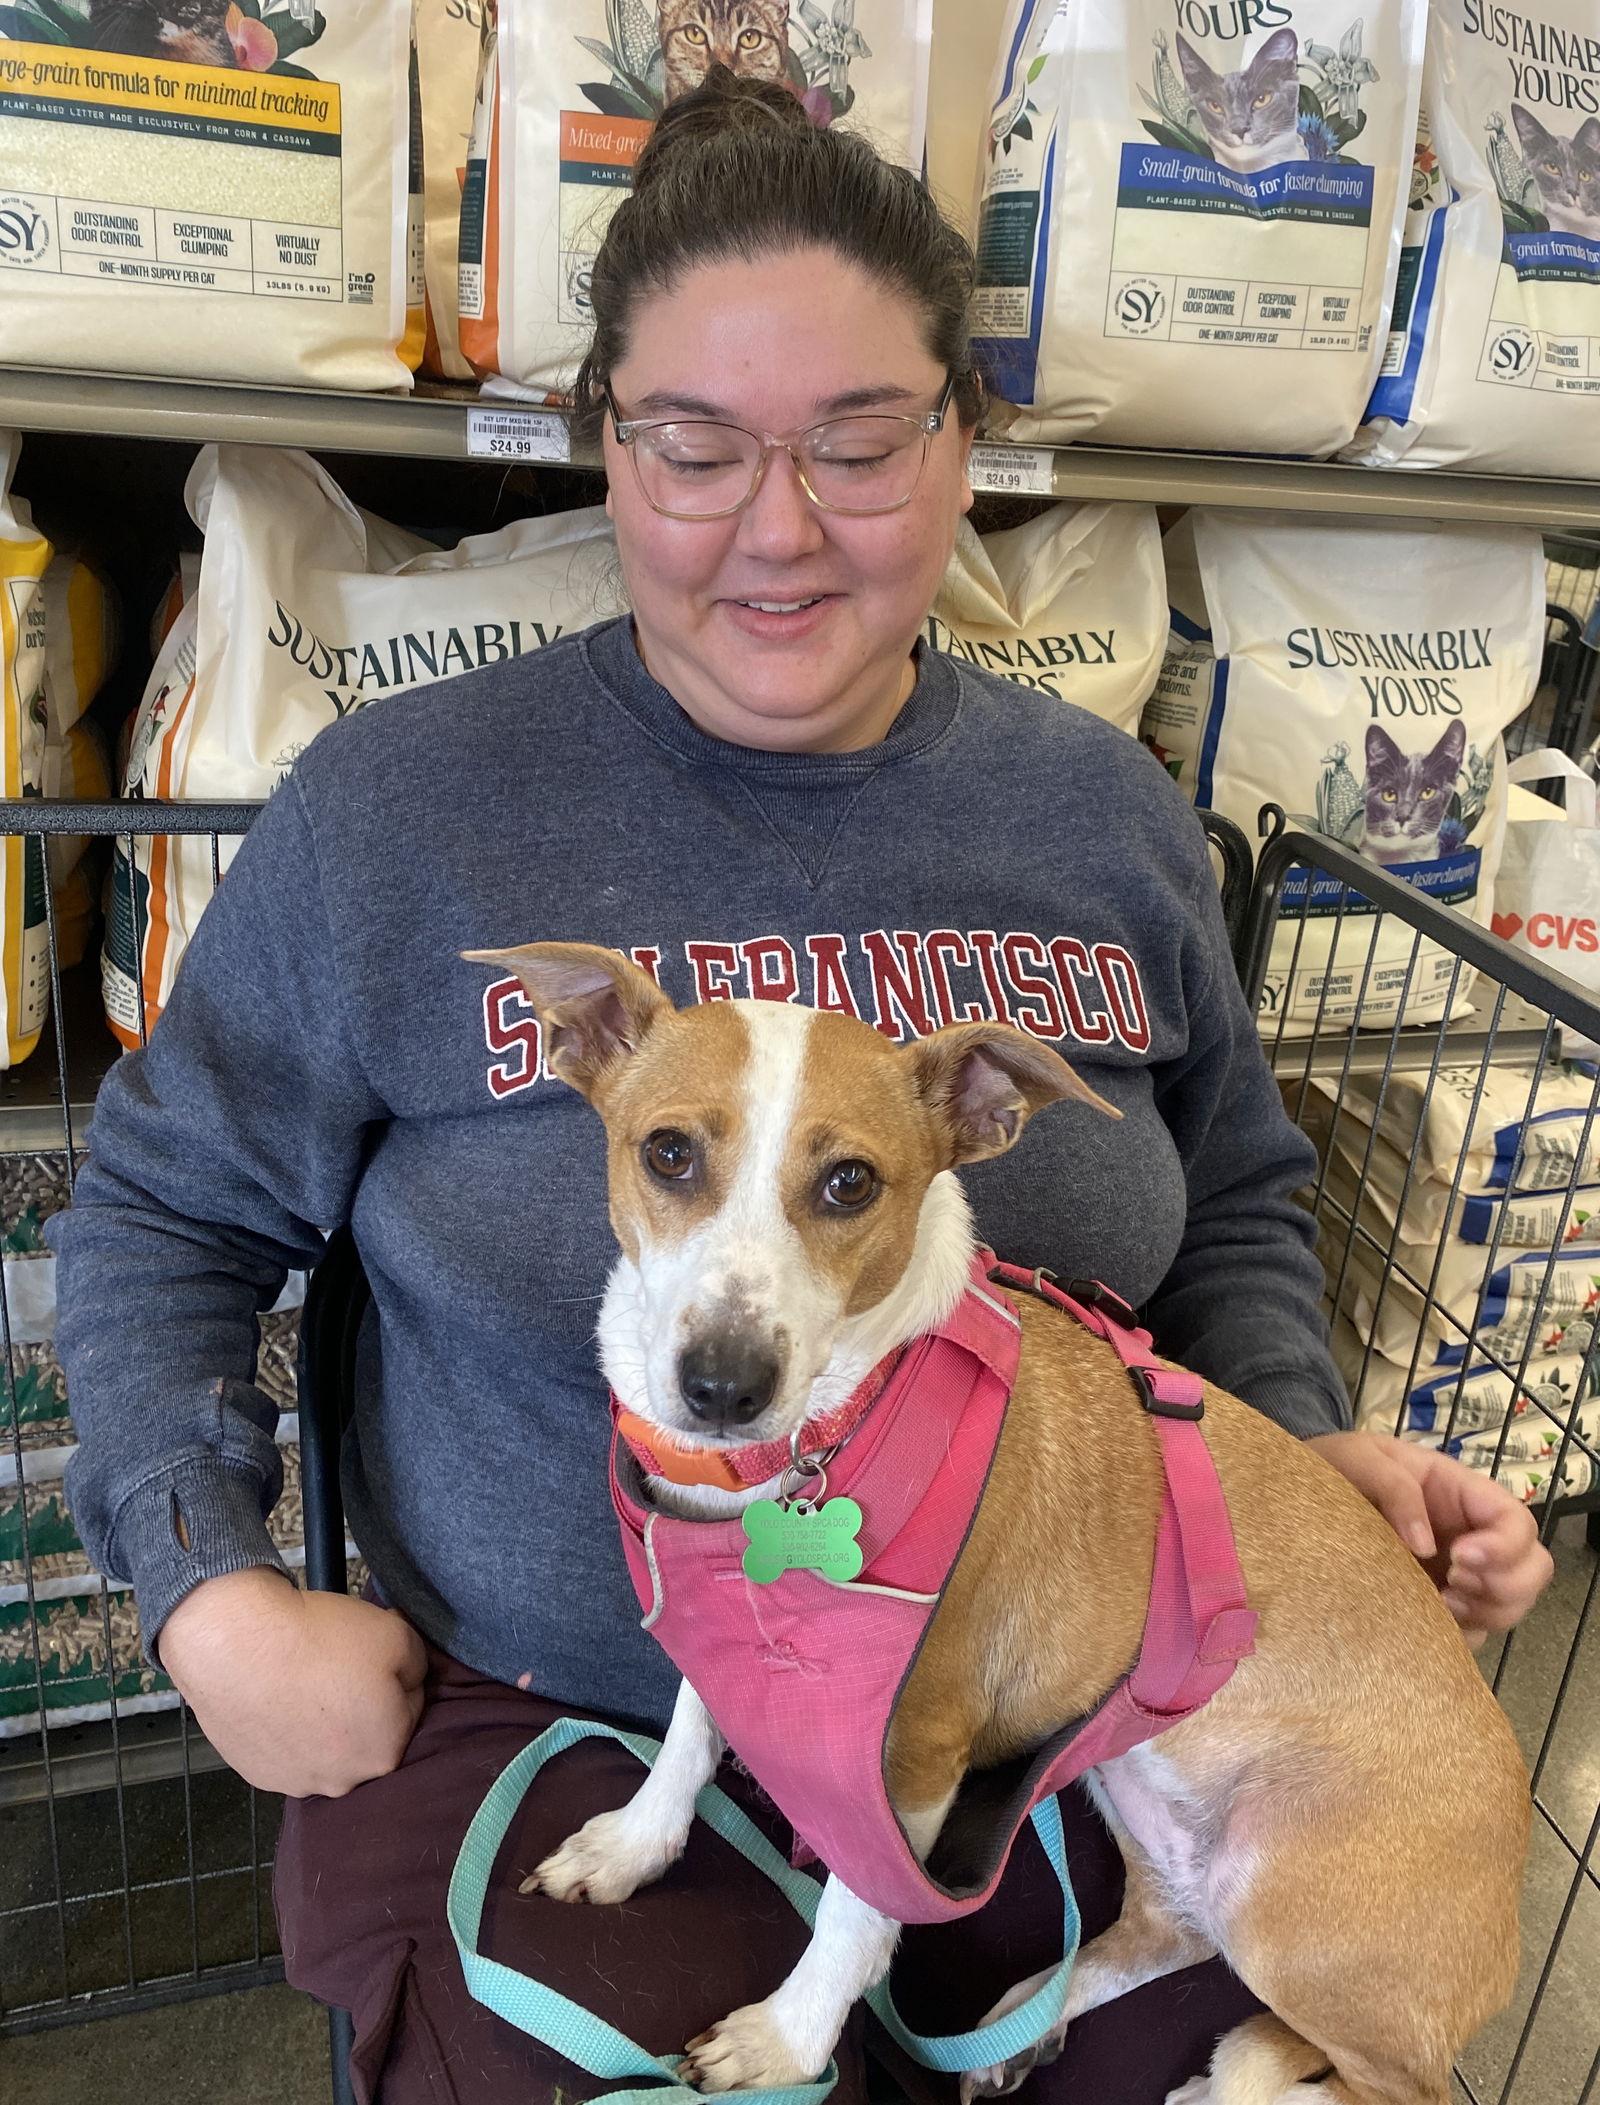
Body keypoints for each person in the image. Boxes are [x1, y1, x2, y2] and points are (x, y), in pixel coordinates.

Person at [52, 70, 1552, 2105]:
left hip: (1075, 1739)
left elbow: (1241, 1202)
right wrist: (204, 1591)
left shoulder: (1102, 821)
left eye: (857, 442)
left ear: (962, 451)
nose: (778, 525)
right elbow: (157, 1214)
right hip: (560, 1708)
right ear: (610, 451)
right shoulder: (404, 819)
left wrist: (1294, 1476)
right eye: (695, 447)